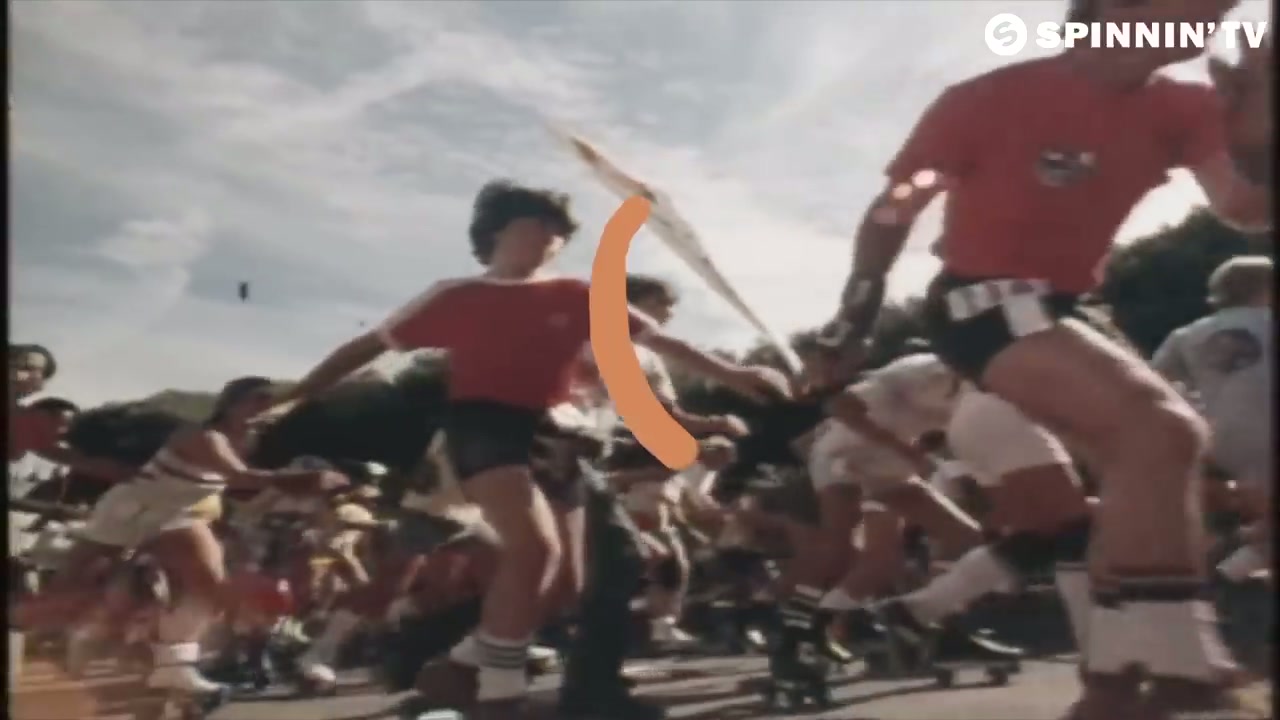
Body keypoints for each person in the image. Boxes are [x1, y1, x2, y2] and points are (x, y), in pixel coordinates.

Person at [826, 0, 1272, 716]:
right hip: (980, 297)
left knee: (1147, 466)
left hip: (1068, 308)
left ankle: (1114, 681)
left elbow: (1246, 208)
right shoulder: (984, 99)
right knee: (1162, 431)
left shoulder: (1186, 106)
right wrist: (854, 317)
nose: (1217, 15)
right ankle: (1178, 664)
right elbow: (896, 208)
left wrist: (1259, 121)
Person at [260, 180, 790, 719]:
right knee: (533, 551)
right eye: (537, 224)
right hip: (482, 426)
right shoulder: (455, 296)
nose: (550, 237)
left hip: (556, 436)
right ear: (496, 232)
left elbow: (661, 341)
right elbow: (367, 346)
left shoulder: (579, 295)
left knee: (567, 586)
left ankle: (462, 664)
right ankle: (500, 695)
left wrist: (733, 373)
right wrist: (301, 392)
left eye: (559, 231)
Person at [14, 377, 346, 698]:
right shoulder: (203, 436)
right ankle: (31, 630)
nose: (263, 408)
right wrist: (300, 480)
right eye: (256, 400)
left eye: (268, 402)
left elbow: (304, 393)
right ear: (230, 404)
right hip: (131, 509)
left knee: (213, 586)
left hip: (177, 515)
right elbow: (239, 477)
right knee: (72, 586)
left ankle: (175, 663)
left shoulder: (252, 437)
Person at [1152, 256, 1273, 583]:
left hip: (1225, 436)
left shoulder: (1187, 334)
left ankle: (1232, 567)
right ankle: (1233, 558)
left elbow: (1152, 383)